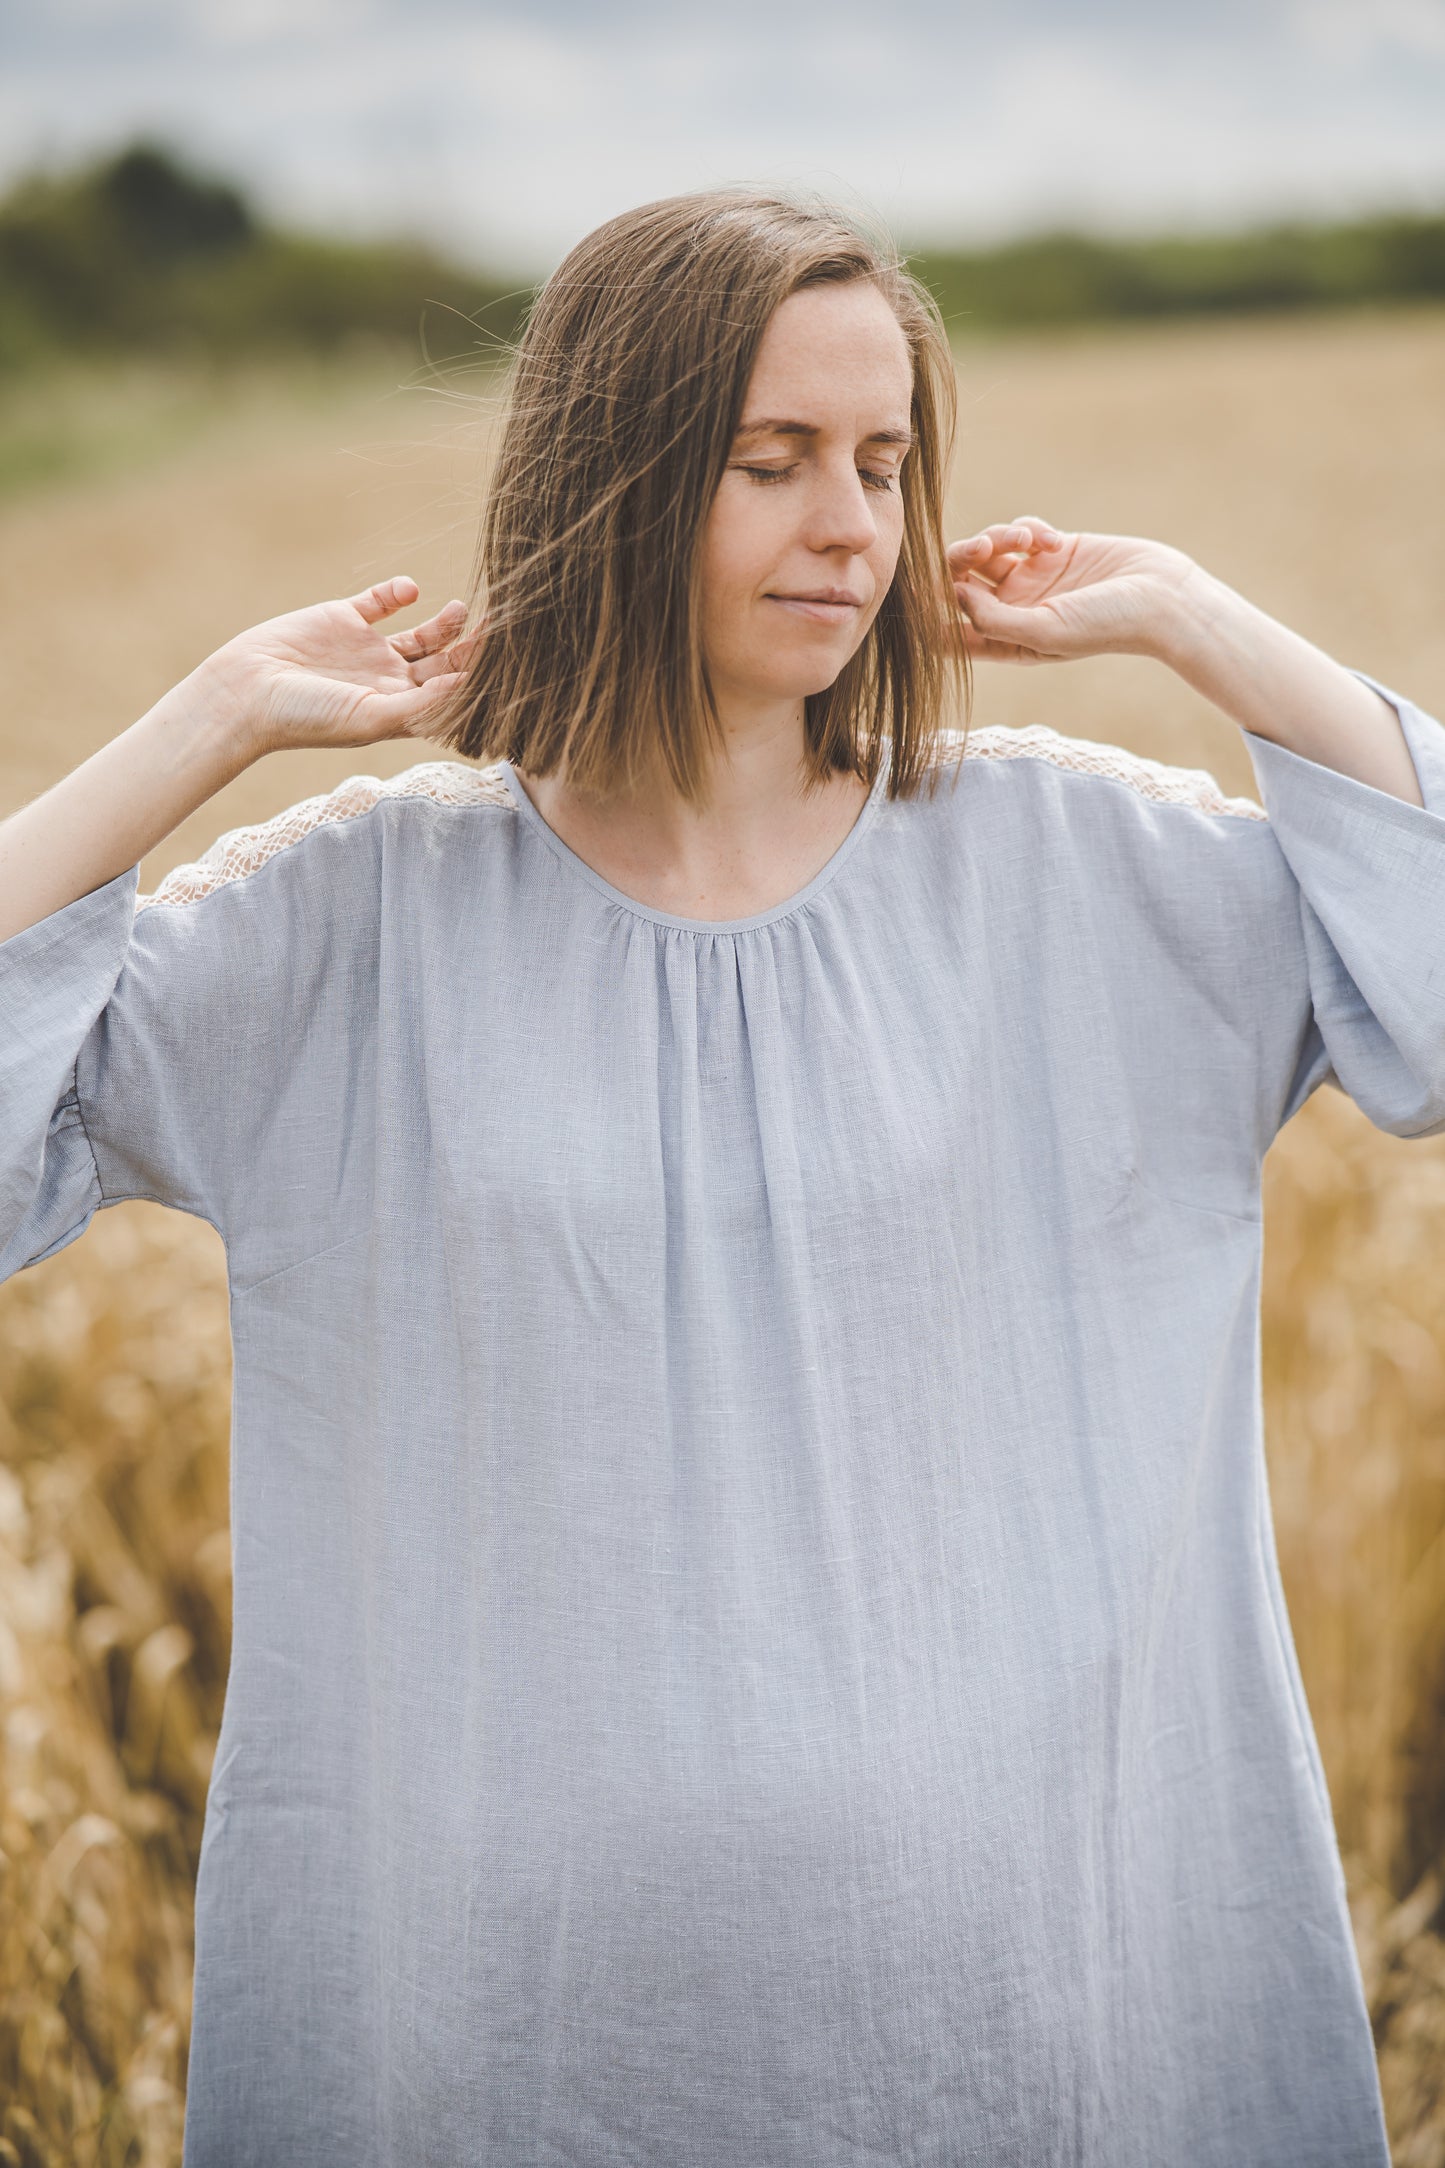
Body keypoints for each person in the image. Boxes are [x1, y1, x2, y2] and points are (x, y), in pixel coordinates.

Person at [0, 188, 1439, 2167]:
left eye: (885, 460)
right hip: (518, 2041)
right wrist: (209, 718)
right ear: (617, 473)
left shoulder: (1078, 869)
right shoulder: (361, 919)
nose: (851, 520)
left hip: (1042, 2020)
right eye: (772, 463)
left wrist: (1201, 620)